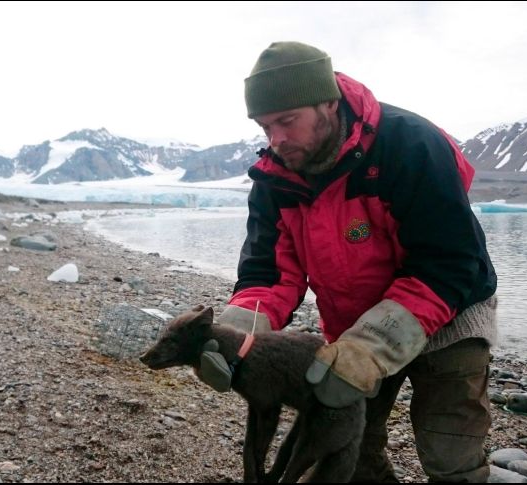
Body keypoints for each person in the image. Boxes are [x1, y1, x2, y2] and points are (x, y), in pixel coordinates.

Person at [197, 41, 498, 482]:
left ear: (327, 103)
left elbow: (448, 264)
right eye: (265, 127)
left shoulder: (411, 146)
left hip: (452, 314)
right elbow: (268, 273)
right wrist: (233, 338)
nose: (276, 140)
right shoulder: (276, 177)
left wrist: (369, 350)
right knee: (347, 447)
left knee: (450, 454)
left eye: (287, 121)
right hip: (352, 325)